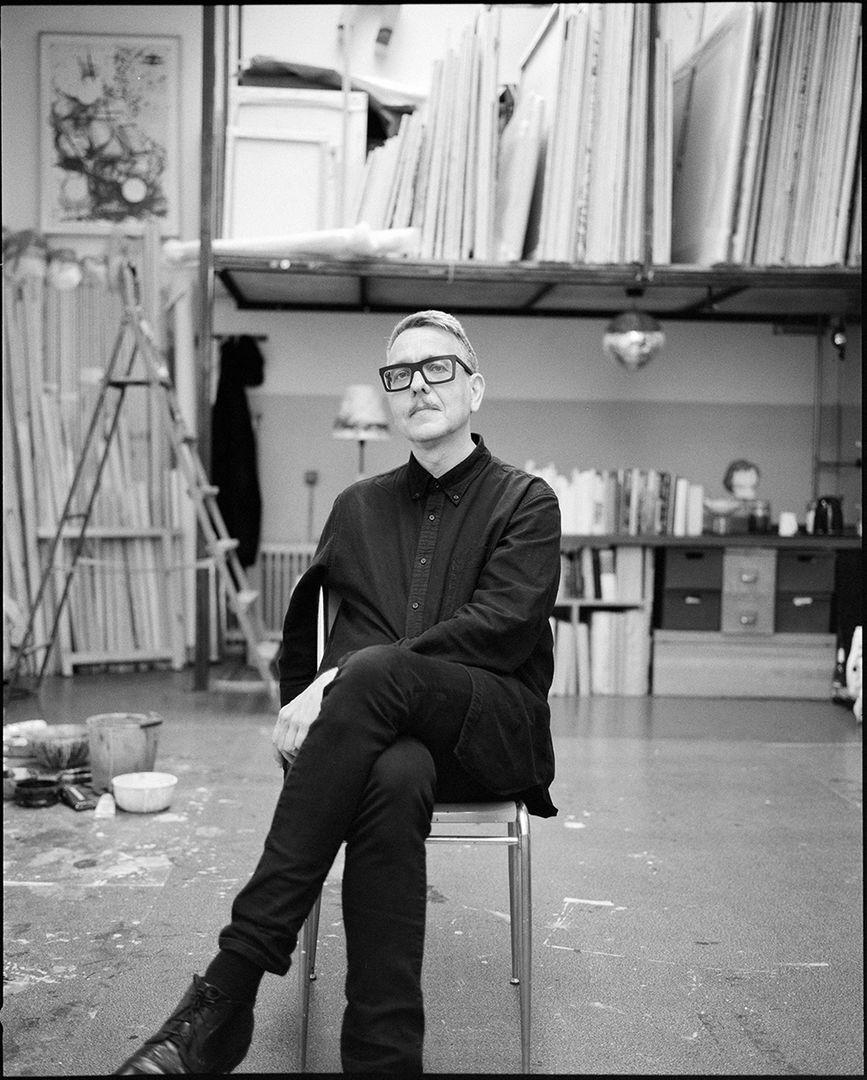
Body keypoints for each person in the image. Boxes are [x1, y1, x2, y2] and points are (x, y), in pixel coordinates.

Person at [116, 310, 561, 1075]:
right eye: (399, 374)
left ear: (474, 387)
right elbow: (324, 635)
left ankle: (230, 984)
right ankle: (382, 1061)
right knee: (391, 773)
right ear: (388, 396)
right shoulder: (358, 506)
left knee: (372, 674)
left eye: (438, 367)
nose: (417, 384)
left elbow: (501, 629)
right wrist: (337, 680)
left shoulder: (526, 501)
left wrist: (344, 679)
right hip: (390, 744)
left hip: (488, 731)